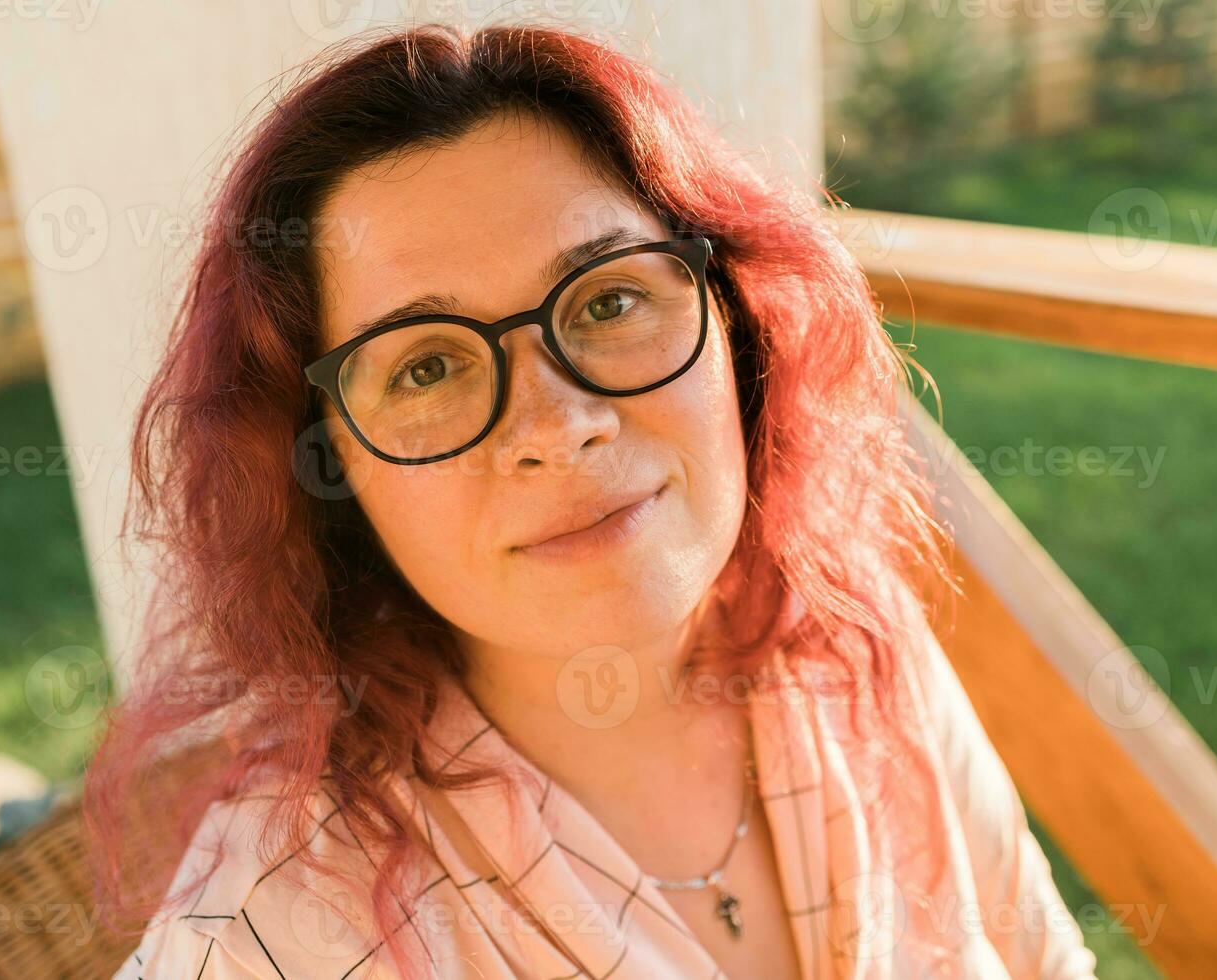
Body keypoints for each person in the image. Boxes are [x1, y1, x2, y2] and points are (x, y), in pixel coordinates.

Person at [90, 22, 1098, 980]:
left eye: (609, 301)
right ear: (329, 464)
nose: (556, 424)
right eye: (429, 367)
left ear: (735, 322)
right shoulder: (274, 925)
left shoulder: (853, 641)